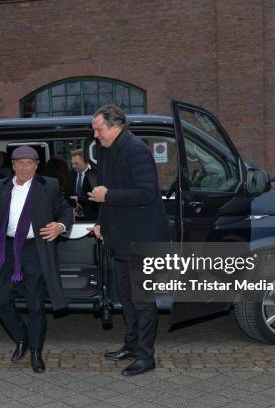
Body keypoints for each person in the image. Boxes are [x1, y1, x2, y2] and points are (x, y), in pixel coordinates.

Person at [88, 105, 170, 376]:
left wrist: (107, 196)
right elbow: (103, 193)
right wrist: (101, 221)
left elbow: (146, 193)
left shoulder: (136, 149)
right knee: (127, 298)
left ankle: (147, 357)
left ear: (115, 126)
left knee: (143, 301)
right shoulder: (105, 150)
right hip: (121, 239)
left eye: (98, 129)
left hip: (143, 238)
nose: (95, 135)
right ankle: (132, 345)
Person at [0, 145, 73, 373]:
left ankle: (36, 352)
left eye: (29, 163)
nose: (24, 167)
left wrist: (60, 226)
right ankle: (21, 337)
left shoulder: (48, 186)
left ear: (36, 165)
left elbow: (66, 211)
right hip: (7, 248)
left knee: (35, 305)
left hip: (35, 249)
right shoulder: (1, 186)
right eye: (19, 163)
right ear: (12, 165)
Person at [68, 149, 98, 221]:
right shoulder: (71, 173)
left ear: (86, 161)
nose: (73, 166)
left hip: (93, 218)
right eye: (72, 163)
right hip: (75, 218)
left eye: (76, 163)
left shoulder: (96, 174)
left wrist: (79, 199)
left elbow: (98, 198)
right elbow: (67, 193)